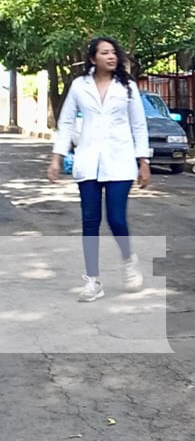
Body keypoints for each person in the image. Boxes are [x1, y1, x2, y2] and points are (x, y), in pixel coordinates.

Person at [47, 36, 150, 302]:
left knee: (116, 219)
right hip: (88, 161)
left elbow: (138, 124)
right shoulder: (79, 86)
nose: (111, 56)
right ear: (93, 58)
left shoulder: (127, 87)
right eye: (105, 53)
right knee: (90, 222)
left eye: (114, 52)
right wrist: (57, 158)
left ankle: (128, 262)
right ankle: (92, 280)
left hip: (120, 161)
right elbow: (67, 122)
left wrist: (144, 161)